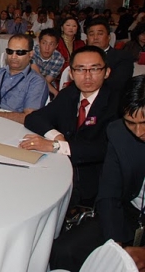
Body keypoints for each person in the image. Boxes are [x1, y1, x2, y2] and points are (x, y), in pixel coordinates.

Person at [48, 75, 145, 271]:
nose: (139, 132)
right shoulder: (119, 133)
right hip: (128, 213)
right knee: (64, 251)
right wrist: (114, 244)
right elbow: (109, 193)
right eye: (130, 123)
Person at [22, 46, 119, 208]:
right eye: (80, 69)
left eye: (94, 69)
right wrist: (56, 136)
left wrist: (57, 146)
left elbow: (105, 148)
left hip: (93, 176)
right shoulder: (70, 94)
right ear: (71, 74)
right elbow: (33, 118)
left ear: (107, 72)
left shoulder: (116, 103)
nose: (87, 76)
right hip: (59, 165)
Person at [0, 34, 48, 124]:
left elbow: (29, 117)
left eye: (20, 52)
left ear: (30, 54)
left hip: (14, 128)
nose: (13, 56)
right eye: (10, 51)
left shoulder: (36, 82)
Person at [86, 19, 133, 96]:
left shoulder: (123, 57)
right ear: (87, 39)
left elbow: (118, 84)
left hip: (109, 99)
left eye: (100, 34)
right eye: (91, 34)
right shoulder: (80, 57)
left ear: (109, 37)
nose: (95, 37)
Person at [30, 28, 65, 98]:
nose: (47, 48)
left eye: (51, 44)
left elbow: (46, 80)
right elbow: (36, 76)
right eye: (44, 43)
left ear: (56, 46)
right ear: (39, 42)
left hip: (47, 85)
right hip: (29, 82)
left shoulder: (59, 59)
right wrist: (55, 92)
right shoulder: (31, 53)